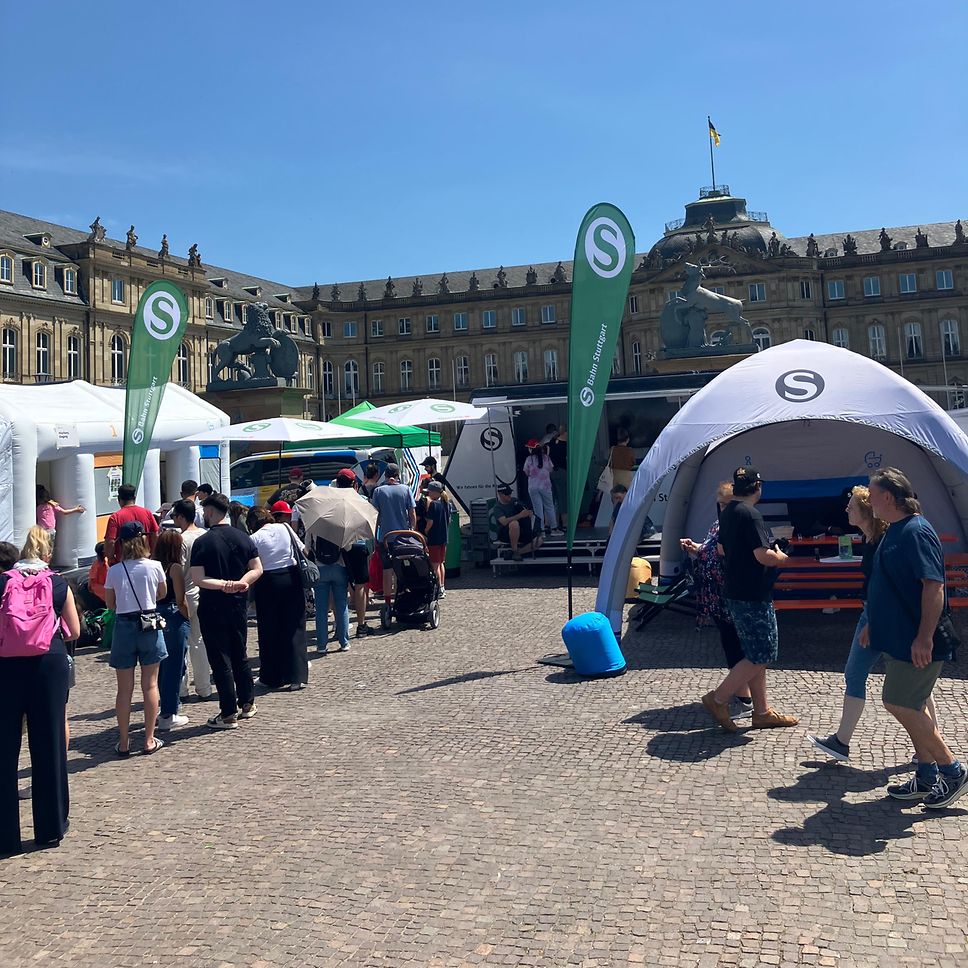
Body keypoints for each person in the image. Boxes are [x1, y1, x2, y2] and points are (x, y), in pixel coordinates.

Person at [864, 468, 967, 809]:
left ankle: (952, 771)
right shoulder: (897, 529)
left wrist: (924, 637)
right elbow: (889, 585)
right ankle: (926, 776)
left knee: (899, 703)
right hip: (897, 638)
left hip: (918, 641)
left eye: (871, 493)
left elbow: (934, 586)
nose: (868, 499)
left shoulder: (916, 531)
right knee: (914, 705)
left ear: (888, 497)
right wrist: (873, 625)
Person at [806, 486, 926, 760]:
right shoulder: (874, 539)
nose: (845, 510)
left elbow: (890, 586)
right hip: (881, 617)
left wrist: (872, 621)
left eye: (851, 507)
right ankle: (925, 749)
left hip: (878, 617)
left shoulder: (880, 542)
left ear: (866, 512)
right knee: (914, 684)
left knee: (861, 673)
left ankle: (843, 741)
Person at [0, 527, 80, 854]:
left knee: (5, 751)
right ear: (48, 553)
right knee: (48, 747)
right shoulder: (58, 583)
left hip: (6, 667)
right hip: (49, 663)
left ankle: (6, 835)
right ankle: (50, 828)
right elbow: (75, 630)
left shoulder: (3, 581)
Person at [701, 467, 798, 732]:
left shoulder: (729, 512)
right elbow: (762, 556)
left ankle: (762, 711)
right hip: (753, 593)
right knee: (762, 652)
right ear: (758, 487)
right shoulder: (750, 514)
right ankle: (718, 698)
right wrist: (781, 557)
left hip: (735, 591)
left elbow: (721, 548)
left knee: (754, 653)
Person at [190, 493, 263, 730]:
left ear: (210, 512)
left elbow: (198, 578)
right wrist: (241, 582)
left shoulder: (203, 542)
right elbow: (257, 568)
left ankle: (228, 711)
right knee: (239, 651)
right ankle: (247, 702)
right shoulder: (243, 537)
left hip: (213, 604)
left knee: (220, 658)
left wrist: (224, 585)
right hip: (238, 603)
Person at [680, 481, 753, 720]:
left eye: (728, 503)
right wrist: (696, 548)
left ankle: (743, 700)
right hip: (717, 598)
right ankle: (745, 699)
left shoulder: (739, 525)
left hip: (733, 596)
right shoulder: (717, 525)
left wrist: (705, 552)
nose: (723, 508)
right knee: (732, 646)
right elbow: (710, 550)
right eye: (720, 504)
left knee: (741, 650)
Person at [104, 520, 168, 756]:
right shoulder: (155, 566)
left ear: (121, 543)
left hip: (124, 624)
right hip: (149, 623)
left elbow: (110, 604)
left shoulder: (114, 570)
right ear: (144, 540)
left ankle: (123, 741)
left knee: (124, 689)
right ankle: (149, 739)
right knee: (150, 685)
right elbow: (162, 594)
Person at [248, 501, 308, 689]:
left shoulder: (254, 538)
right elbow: (304, 549)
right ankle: (297, 676)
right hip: (291, 577)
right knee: (295, 626)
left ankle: (272, 676)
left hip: (268, 582)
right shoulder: (285, 529)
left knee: (269, 629)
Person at [170, 499, 213, 700]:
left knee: (182, 644)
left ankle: (181, 689)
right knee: (200, 641)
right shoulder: (206, 535)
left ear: (180, 517)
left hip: (186, 592)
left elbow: (179, 571)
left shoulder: (181, 540)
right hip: (206, 590)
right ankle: (204, 687)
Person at [153, 530, 190, 731]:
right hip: (172, 616)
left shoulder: (153, 565)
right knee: (175, 666)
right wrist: (188, 617)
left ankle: (165, 709)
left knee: (161, 667)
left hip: (154, 615)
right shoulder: (174, 568)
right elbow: (180, 600)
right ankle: (169, 712)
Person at [334, 469, 373, 637]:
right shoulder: (362, 500)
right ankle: (361, 625)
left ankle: (340, 626)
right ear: (355, 484)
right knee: (361, 586)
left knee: (339, 586)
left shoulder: (332, 502)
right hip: (358, 545)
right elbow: (370, 525)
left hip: (338, 546)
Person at [371, 463, 416, 606]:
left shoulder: (378, 491)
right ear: (398, 475)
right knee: (400, 569)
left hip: (385, 536)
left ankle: (387, 601)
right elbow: (412, 513)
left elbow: (375, 515)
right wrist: (412, 530)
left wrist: (375, 533)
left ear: (385, 475)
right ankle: (399, 597)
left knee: (387, 569)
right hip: (402, 536)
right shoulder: (406, 489)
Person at [104, 483, 159, 565]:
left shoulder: (115, 517)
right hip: (146, 560)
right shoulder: (147, 513)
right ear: (134, 498)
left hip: (124, 563)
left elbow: (110, 542)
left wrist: (112, 559)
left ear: (119, 498)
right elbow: (155, 534)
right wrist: (153, 555)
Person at [495, 485, 542, 561]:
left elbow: (525, 509)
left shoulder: (514, 501)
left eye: (510, 493)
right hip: (505, 532)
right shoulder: (498, 507)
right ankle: (514, 549)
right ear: (500, 494)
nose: (509, 496)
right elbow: (504, 522)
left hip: (520, 530)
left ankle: (518, 552)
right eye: (507, 494)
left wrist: (528, 513)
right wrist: (520, 515)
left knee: (539, 540)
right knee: (514, 524)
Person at [523, 439, 557, 536]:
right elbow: (551, 469)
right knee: (550, 507)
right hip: (545, 486)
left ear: (530, 449)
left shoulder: (528, 459)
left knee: (538, 509)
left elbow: (526, 472)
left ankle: (541, 531)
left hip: (533, 487)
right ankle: (554, 528)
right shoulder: (546, 458)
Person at [423, 480, 451, 596]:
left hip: (434, 538)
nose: (428, 494)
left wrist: (425, 531)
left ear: (435, 492)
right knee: (441, 563)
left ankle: (438, 587)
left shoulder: (434, 505)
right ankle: (443, 586)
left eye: (429, 492)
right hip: (444, 537)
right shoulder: (447, 504)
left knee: (434, 565)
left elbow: (430, 523)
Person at [546, 424, 568, 530]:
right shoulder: (566, 444)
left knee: (551, 498)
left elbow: (548, 457)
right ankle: (565, 523)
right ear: (565, 433)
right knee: (562, 498)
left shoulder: (551, 442)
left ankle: (549, 523)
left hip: (550, 472)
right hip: (562, 471)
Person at [85, 542, 108, 608]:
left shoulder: (97, 564)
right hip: (101, 588)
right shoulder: (100, 565)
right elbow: (92, 578)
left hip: (101, 587)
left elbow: (91, 577)